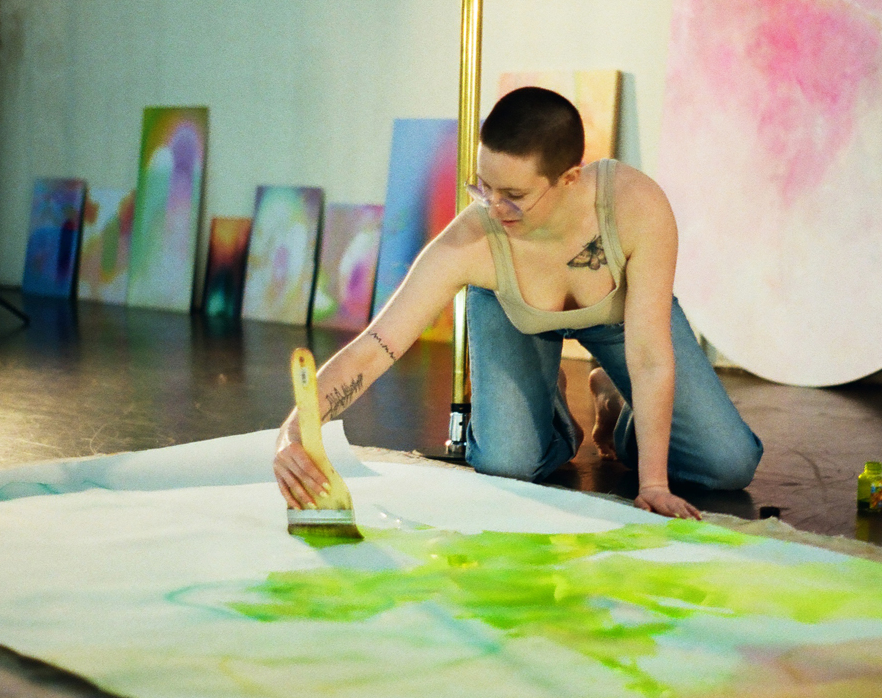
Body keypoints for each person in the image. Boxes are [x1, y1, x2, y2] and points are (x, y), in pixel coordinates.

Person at [273, 87, 762, 520]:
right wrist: (294, 432)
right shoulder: (474, 238)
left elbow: (652, 358)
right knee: (506, 465)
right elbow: (376, 346)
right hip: (517, 319)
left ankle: (615, 403)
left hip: (624, 327)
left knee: (727, 463)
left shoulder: (635, 207)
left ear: (569, 179)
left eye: (513, 194)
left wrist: (653, 483)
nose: (492, 206)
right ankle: (552, 417)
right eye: (483, 186)